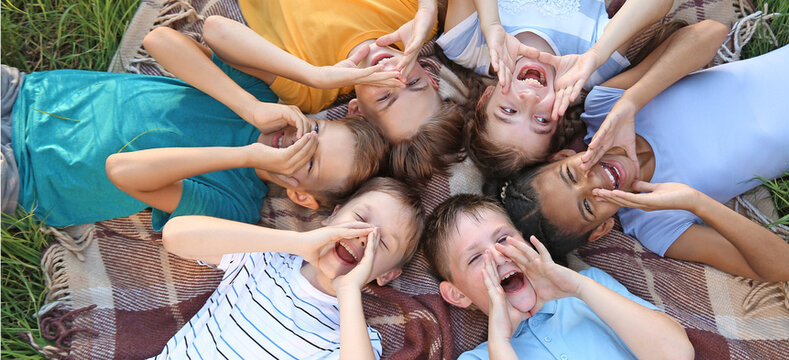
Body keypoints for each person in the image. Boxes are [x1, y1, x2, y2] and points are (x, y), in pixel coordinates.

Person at [492, 0, 789, 282]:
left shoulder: (605, 105)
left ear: (566, 154)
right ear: (602, 228)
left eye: (572, 174)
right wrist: (694, 202)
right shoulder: (657, 223)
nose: (595, 182)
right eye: (589, 205)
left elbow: (710, 33)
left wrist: (633, 102)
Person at [0, 57, 387, 229]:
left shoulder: (234, 207)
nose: (297, 141)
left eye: (308, 161)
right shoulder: (258, 101)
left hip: (28, 174)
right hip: (29, 94)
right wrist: (250, 108)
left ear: (302, 196)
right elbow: (162, 40)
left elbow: (122, 171)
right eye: (314, 134)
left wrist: (246, 155)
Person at [182, 0, 467, 183]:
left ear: (356, 110)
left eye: (385, 96)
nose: (394, 75)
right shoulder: (416, 23)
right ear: (430, 77)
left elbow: (215, 30)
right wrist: (428, 9)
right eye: (413, 83)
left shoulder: (311, 91)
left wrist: (314, 75)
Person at [438, 0, 727, 177]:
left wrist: (491, 26)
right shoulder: (589, 69)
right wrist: (598, 53)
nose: (530, 98)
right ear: (561, 116)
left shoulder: (470, 48)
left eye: (509, 110)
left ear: (484, 99)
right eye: (541, 120)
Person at [153, 177, 425, 359]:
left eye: (382, 242)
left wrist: (349, 290)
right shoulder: (264, 257)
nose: (364, 237)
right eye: (360, 219)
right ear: (332, 216)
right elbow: (175, 235)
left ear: (386, 275)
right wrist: (298, 242)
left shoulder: (352, 337)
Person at [423, 194, 693, 359]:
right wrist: (501, 342)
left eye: (503, 239)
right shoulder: (483, 357)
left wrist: (579, 287)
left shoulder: (591, 288)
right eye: (474, 258)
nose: (497, 256)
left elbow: (677, 354)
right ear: (457, 294)